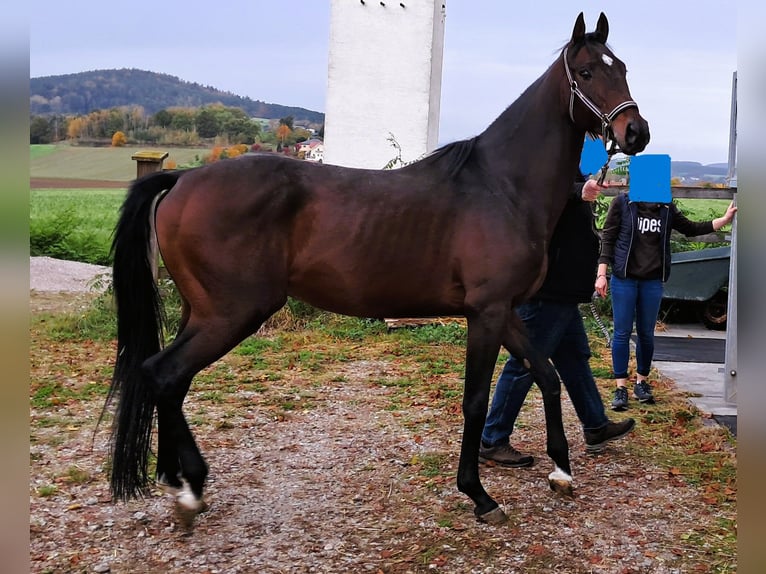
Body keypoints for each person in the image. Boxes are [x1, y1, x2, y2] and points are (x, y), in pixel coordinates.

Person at [479, 174, 635, 468]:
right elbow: (539, 189)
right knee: (524, 364)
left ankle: (596, 425)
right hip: (548, 288)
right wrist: (579, 191)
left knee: (575, 358)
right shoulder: (550, 160)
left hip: (564, 289)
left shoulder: (574, 160)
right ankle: (492, 439)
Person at [596, 193, 737, 411]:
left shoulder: (666, 207)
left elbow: (691, 229)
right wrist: (602, 274)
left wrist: (724, 219)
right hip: (624, 279)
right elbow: (608, 237)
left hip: (651, 281)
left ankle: (641, 383)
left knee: (646, 333)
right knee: (622, 333)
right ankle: (620, 387)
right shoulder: (623, 203)